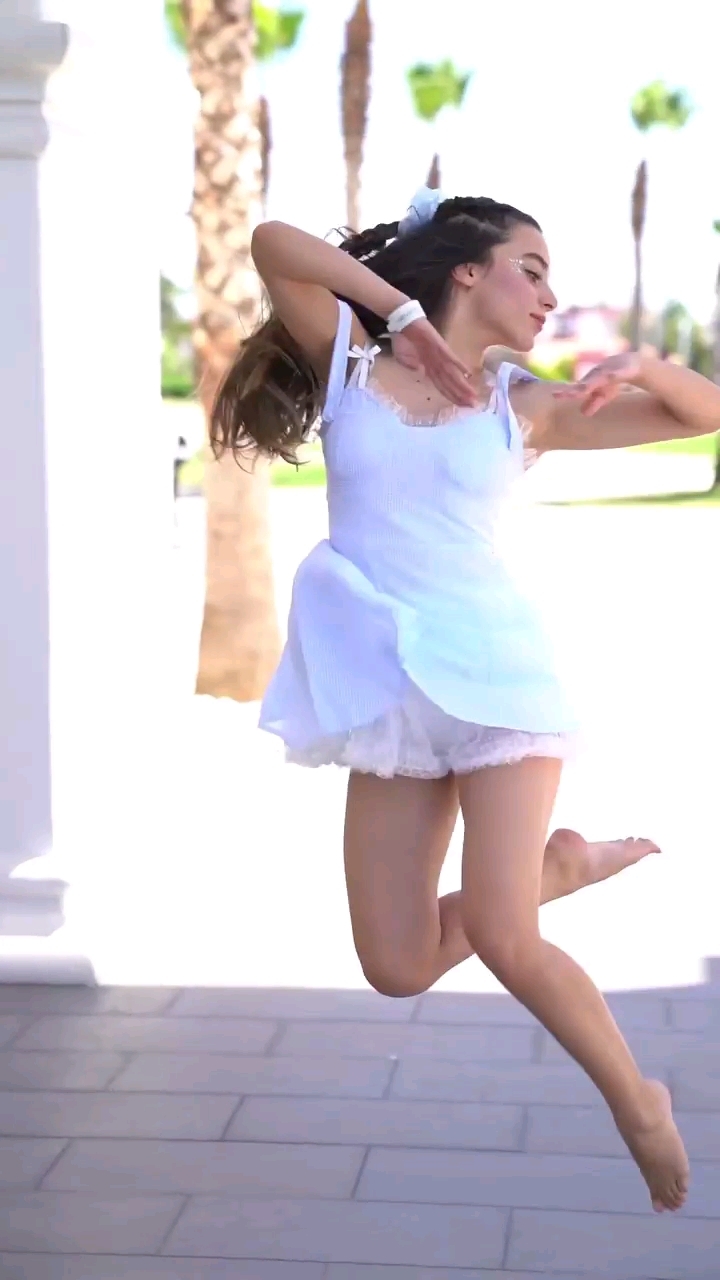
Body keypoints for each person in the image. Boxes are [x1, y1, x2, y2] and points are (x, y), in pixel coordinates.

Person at [211, 188, 720, 1212]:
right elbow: (274, 243)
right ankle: (559, 866)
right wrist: (395, 314)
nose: (548, 295)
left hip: (500, 685)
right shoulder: (350, 361)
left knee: (505, 937)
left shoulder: (521, 407)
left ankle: (639, 1103)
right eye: (532, 269)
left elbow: (703, 412)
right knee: (396, 963)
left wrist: (642, 364)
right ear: (467, 269)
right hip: (390, 695)